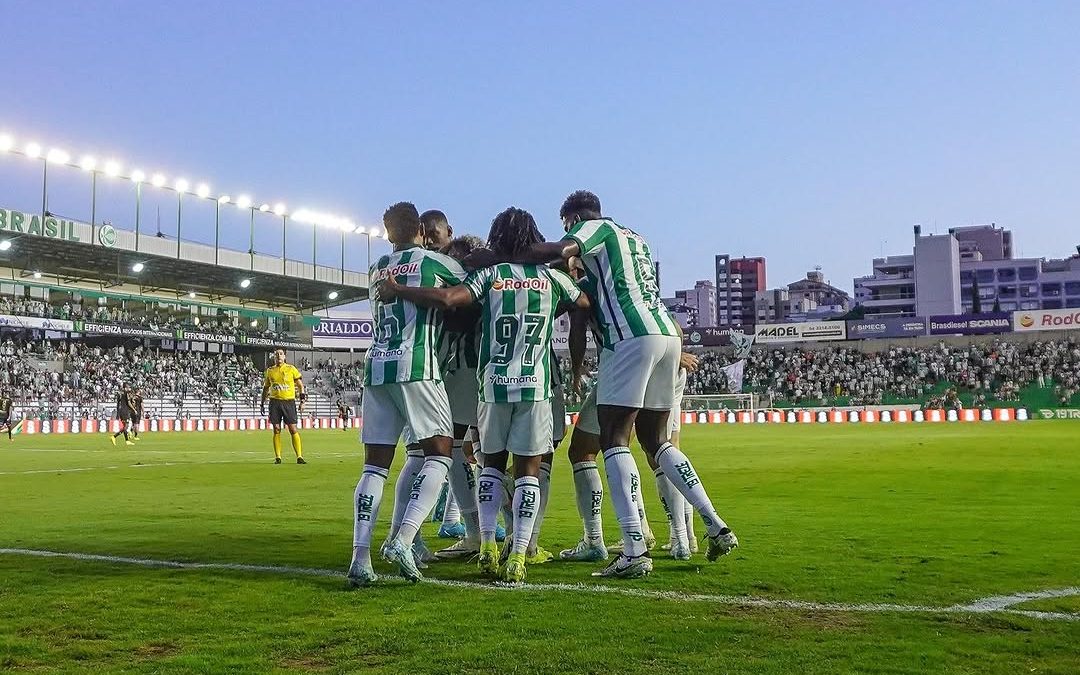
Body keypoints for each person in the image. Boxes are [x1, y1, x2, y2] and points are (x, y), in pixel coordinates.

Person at [514, 190, 737, 578]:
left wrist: (517, 254)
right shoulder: (636, 239)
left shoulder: (594, 229)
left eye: (567, 225)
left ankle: (634, 548)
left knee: (614, 439)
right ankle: (715, 524)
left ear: (572, 218)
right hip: (667, 335)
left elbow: (563, 249)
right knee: (656, 441)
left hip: (629, 340)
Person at [380, 206, 588, 583]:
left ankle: (487, 544)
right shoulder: (550, 278)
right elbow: (585, 303)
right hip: (536, 386)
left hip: (491, 385)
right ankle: (521, 553)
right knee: (530, 470)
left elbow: (448, 299)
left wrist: (398, 289)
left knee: (488, 465)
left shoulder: (488, 275)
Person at [348, 201, 466, 587]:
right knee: (441, 453)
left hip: (376, 367)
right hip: (417, 367)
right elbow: (468, 285)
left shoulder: (376, 268)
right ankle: (403, 539)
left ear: (386, 234)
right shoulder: (433, 263)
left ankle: (360, 559)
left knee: (374, 467)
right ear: (420, 228)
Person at [260, 349, 307, 464]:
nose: (278, 356)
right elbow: (266, 388)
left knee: (293, 429)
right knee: (276, 429)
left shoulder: (291, 369)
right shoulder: (270, 371)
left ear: (284, 356)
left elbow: (300, 386)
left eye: (281, 354)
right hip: (274, 402)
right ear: (274, 357)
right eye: (276, 354)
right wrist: (262, 403)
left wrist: (302, 401)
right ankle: (278, 457)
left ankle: (299, 456)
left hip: (288, 402)